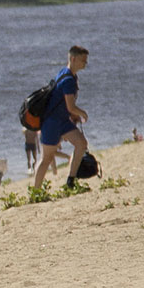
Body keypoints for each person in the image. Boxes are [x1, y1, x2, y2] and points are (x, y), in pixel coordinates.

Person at [33, 45, 90, 191]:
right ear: (73, 59)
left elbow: (66, 107)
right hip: (51, 123)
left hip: (63, 121)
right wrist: (82, 113)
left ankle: (71, 180)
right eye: (83, 60)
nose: (85, 63)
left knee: (81, 143)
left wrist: (73, 117)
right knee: (46, 159)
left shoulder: (69, 74)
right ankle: (36, 191)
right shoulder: (68, 79)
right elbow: (71, 107)